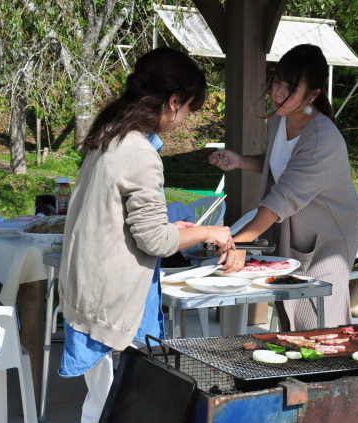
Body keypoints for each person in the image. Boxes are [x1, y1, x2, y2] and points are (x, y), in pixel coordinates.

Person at [58, 47, 234, 423]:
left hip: (90, 291)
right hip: (111, 303)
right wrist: (209, 231)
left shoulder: (110, 133)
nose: (186, 119)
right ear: (173, 102)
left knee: (101, 406)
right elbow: (155, 242)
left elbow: (127, 222)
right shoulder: (139, 152)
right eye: (189, 109)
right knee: (120, 411)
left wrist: (174, 229)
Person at [209, 44, 358, 331]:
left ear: (313, 94)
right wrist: (241, 161)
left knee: (320, 320)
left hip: (330, 237)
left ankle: (326, 376)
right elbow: (281, 166)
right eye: (277, 81)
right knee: (289, 313)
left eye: (290, 88)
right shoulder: (279, 120)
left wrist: (241, 241)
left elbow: (283, 197)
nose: (278, 92)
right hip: (294, 228)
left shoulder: (321, 139)